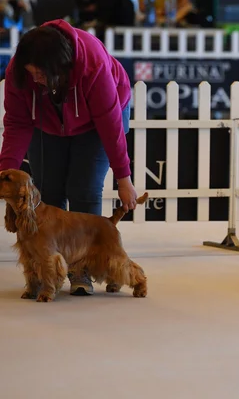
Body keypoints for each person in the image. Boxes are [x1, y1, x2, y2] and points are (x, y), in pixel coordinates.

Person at [0, 19, 138, 296]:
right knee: (47, 191)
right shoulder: (20, 70)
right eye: (31, 74)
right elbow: (16, 123)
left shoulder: (92, 63)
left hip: (98, 121)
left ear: (59, 68)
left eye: (41, 74)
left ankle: (81, 270)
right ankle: (48, 269)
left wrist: (124, 178)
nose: (35, 79)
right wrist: (7, 174)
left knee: (84, 188)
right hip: (48, 122)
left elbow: (110, 125)